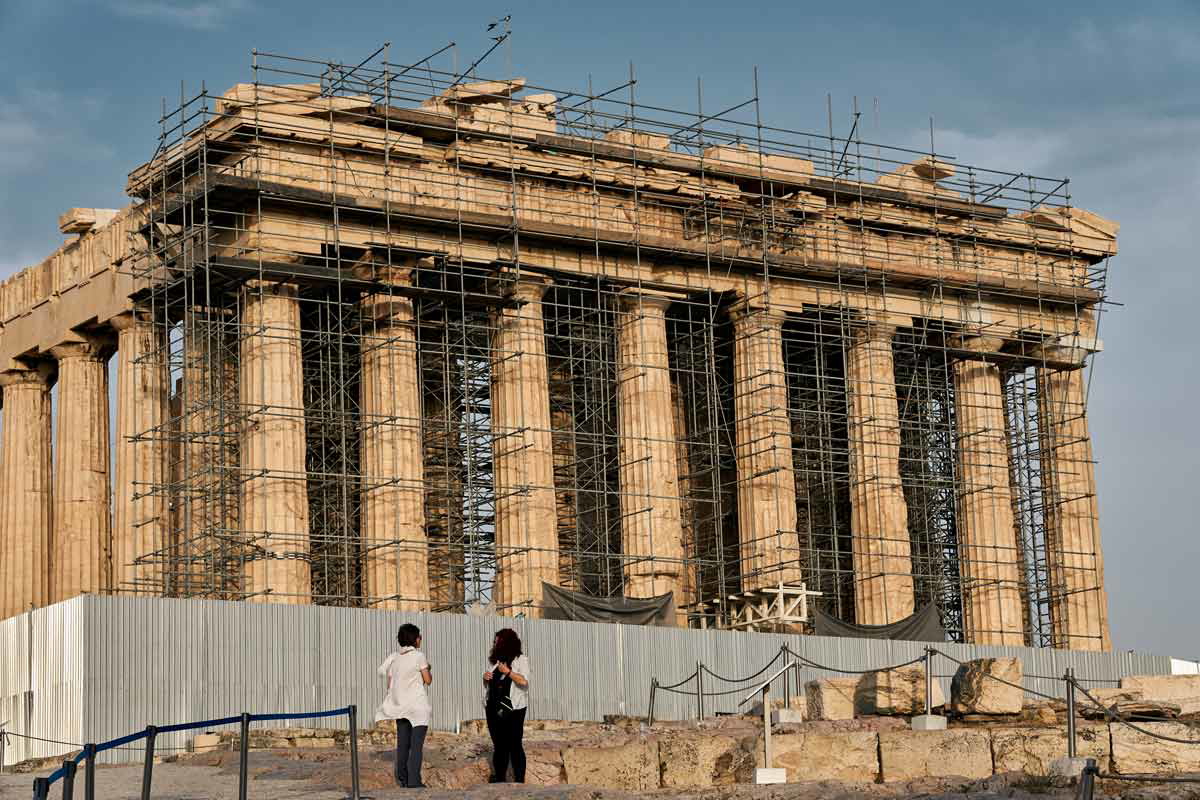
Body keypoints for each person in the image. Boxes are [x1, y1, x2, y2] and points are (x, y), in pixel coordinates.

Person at [375, 623, 433, 788]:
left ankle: (403, 778)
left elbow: (390, 684)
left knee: (402, 745)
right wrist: (428, 669)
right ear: (415, 639)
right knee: (416, 746)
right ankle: (415, 781)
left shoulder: (394, 658)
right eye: (419, 637)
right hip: (417, 707)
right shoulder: (419, 656)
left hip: (401, 707)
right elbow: (427, 680)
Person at [482, 628, 530, 783]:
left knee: (515, 744)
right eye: (494, 642)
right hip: (494, 708)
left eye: (498, 642)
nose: (495, 644)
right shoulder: (496, 661)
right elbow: (490, 685)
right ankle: (500, 778)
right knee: (499, 745)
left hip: (513, 708)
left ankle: (519, 780)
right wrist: (485, 678)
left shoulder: (521, 660)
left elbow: (524, 681)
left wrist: (508, 672)